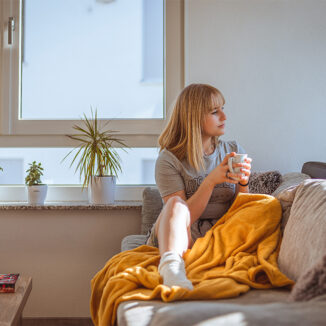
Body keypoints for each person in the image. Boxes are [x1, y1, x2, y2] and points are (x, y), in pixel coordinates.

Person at [146, 83, 252, 290]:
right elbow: (183, 216)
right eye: (215, 112)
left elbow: (241, 211)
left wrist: (243, 182)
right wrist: (210, 181)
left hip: (220, 232)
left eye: (223, 108)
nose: (224, 116)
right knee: (175, 203)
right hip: (180, 232)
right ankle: (171, 268)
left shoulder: (232, 150)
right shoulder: (169, 160)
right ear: (193, 117)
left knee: (266, 206)